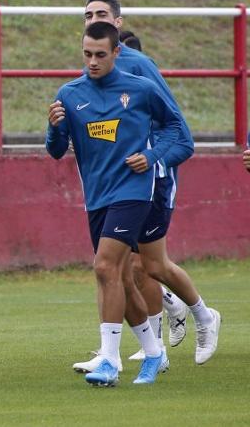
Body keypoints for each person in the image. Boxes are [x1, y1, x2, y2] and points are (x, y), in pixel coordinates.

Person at [46, 22, 200, 387]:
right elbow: (55, 151)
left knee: (103, 267)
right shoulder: (70, 94)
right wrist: (53, 128)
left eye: (101, 54)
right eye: (87, 54)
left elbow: (181, 136)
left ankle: (110, 360)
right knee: (121, 277)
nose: (93, 61)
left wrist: (152, 155)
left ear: (117, 53)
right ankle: (153, 351)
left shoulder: (142, 90)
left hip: (133, 191)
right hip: (97, 194)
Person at [81, 0, 218, 366]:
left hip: (153, 178)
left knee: (147, 266)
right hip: (116, 184)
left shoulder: (140, 67)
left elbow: (178, 130)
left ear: (118, 23)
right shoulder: (90, 71)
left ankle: (201, 316)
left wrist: (154, 158)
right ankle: (134, 347)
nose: (94, 19)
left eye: (102, 13)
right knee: (112, 266)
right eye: (89, 14)